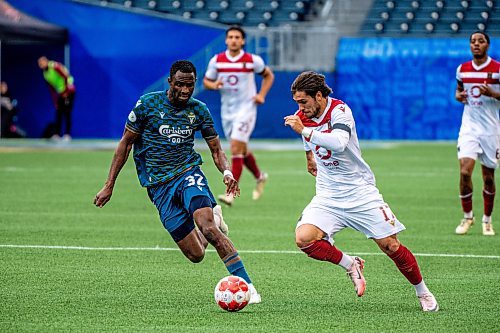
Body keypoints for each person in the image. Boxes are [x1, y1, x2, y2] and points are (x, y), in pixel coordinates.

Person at [94, 60, 261, 304]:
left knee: (207, 227)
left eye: (190, 85)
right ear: (170, 82)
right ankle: (217, 221)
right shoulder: (147, 105)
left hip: (187, 173)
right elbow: (125, 143)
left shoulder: (199, 110)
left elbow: (216, 149)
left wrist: (226, 172)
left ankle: (248, 285)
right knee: (196, 254)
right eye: (180, 85)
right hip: (158, 186)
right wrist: (109, 184)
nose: (185, 90)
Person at [283, 71, 439, 312]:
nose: (300, 108)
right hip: (328, 196)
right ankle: (350, 264)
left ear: (318, 96)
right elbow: (308, 138)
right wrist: (308, 156)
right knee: (304, 239)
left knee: (391, 246)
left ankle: (423, 292)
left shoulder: (339, 111)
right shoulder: (303, 116)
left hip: (360, 193)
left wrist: (304, 131)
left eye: (304, 101)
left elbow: (339, 142)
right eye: (297, 103)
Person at [203, 26, 274, 206]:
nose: (234, 40)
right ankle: (260, 177)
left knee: (235, 147)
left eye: (237, 37)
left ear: (242, 41)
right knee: (241, 149)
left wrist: (261, 95)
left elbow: (269, 76)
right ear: (226, 40)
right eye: (231, 37)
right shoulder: (217, 61)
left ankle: (231, 193)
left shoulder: (252, 60)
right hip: (227, 111)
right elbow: (206, 81)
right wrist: (214, 85)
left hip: (247, 108)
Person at [454, 31, 499, 236]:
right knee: (464, 171)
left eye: (480, 41)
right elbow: (459, 91)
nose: (476, 44)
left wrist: (493, 94)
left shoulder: (497, 69)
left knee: (488, 177)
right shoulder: (462, 69)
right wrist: (459, 96)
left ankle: (487, 220)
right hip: (469, 127)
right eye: (473, 41)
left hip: (491, 130)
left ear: (487, 45)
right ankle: (467, 217)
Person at [38, 56, 76, 141]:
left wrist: (66, 91)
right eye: (39, 64)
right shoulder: (45, 74)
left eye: (42, 62)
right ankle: (57, 134)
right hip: (60, 93)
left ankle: (67, 135)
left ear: (46, 61)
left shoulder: (54, 66)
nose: (41, 65)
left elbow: (66, 76)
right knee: (58, 113)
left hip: (69, 91)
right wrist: (55, 102)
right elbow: (51, 89)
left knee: (67, 112)